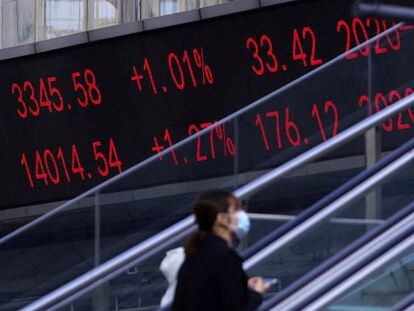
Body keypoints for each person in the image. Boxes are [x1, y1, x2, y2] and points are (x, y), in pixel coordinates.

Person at [172, 190, 268, 311]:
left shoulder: (195, 253)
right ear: (222, 219)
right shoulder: (223, 256)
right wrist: (256, 294)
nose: (241, 214)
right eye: (236, 209)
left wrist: (241, 287)